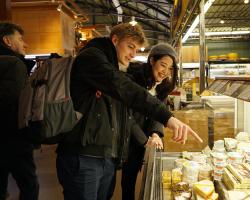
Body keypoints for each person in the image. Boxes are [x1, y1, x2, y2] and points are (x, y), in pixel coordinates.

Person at [56, 22, 202, 200]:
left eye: (137, 49)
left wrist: (155, 132)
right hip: (83, 156)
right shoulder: (92, 58)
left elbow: (124, 108)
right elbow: (126, 91)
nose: (133, 54)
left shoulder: (116, 67)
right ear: (115, 40)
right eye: (130, 46)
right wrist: (167, 119)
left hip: (106, 155)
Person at [121, 43, 178, 200]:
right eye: (162, 65)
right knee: (122, 181)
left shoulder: (162, 87)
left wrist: (155, 133)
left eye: (170, 68)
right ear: (152, 61)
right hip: (125, 136)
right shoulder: (133, 80)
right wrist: (144, 140)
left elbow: (158, 113)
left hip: (142, 139)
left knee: (132, 175)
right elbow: (126, 115)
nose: (165, 72)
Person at [0, 22, 39, 200]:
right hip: (13, 138)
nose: (25, 44)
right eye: (20, 39)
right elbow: (16, 104)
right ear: (7, 41)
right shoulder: (14, 64)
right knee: (29, 185)